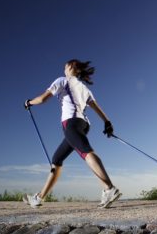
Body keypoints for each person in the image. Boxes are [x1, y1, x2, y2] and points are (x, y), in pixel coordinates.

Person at [22, 59, 121, 208]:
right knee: (56, 159)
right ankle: (39, 198)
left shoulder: (62, 80)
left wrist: (29, 102)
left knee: (85, 151)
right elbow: (96, 107)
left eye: (65, 66)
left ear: (71, 68)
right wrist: (107, 122)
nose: (64, 69)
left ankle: (109, 188)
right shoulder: (84, 88)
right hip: (84, 124)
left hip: (72, 124)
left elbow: (42, 99)